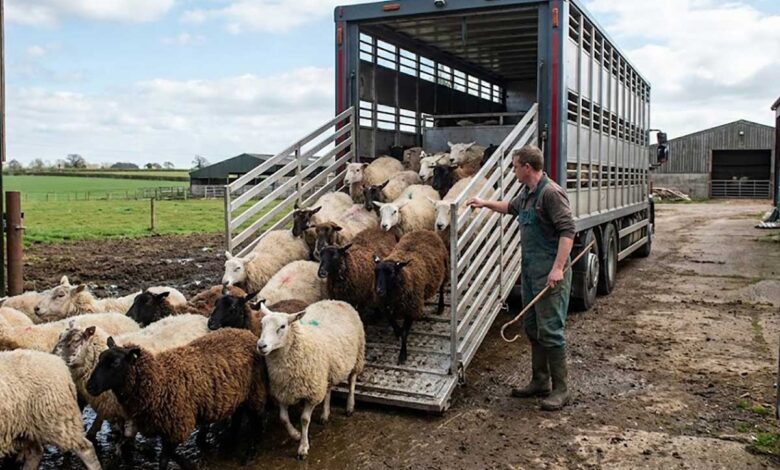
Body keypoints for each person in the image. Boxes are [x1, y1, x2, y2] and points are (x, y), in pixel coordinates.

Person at [467, 145, 575, 411]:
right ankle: (540, 381)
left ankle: (561, 389)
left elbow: (568, 231)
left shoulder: (550, 194)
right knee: (533, 327)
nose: (513, 170)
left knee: (551, 330)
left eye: (515, 166)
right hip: (529, 271)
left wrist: (558, 267)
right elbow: (509, 208)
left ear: (527, 167)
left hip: (550, 273)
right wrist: (484, 203)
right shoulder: (527, 193)